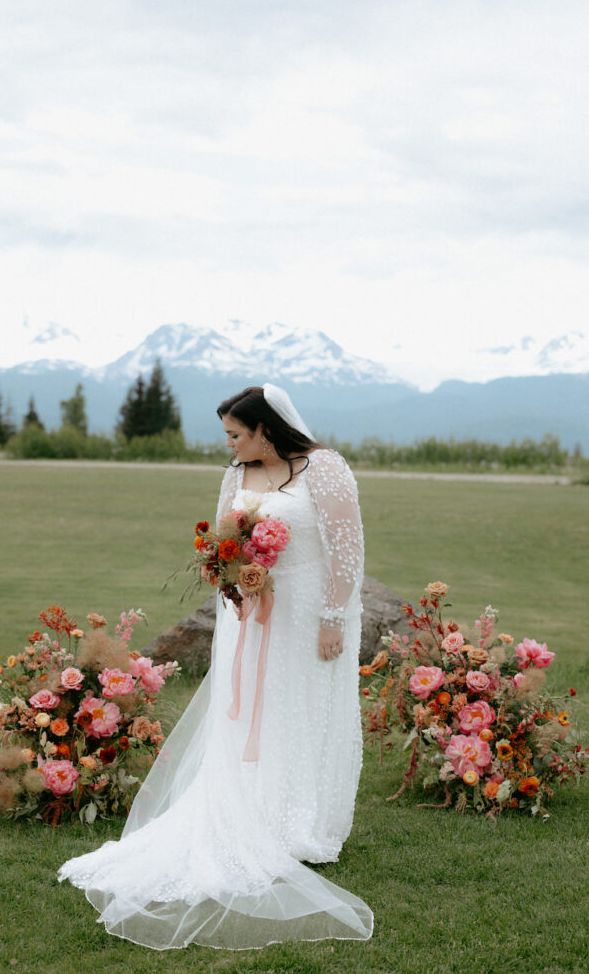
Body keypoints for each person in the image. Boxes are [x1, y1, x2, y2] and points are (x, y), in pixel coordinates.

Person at [58, 383, 373, 949]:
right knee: (246, 709)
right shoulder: (236, 474)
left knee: (304, 708)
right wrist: (232, 575)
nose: (229, 444)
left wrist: (333, 616)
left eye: (236, 433)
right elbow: (222, 539)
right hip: (248, 612)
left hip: (309, 611)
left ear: (266, 430)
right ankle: (248, 812)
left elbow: (348, 546)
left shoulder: (324, 469)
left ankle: (302, 824)